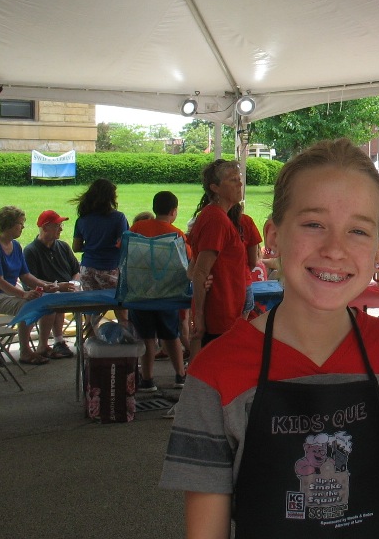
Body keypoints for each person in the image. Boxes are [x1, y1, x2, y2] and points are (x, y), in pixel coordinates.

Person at [161, 139, 379, 539]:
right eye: (313, 224)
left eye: (357, 230)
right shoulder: (215, 372)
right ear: (273, 236)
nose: (334, 248)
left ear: (377, 250)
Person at [0, 206, 68, 365]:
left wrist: (46, 286)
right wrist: (23, 294)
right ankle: (25, 351)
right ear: (9, 225)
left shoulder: (16, 246)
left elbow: (25, 275)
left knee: (47, 303)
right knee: (27, 306)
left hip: (7, 294)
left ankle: (43, 346)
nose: (23, 227)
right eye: (20, 223)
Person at [128, 191, 188, 392]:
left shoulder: (138, 228)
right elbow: (186, 260)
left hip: (139, 293)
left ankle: (147, 379)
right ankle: (180, 374)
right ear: (174, 211)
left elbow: (123, 250)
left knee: (147, 337)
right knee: (171, 335)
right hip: (166, 294)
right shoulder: (176, 234)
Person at [187, 160, 249, 347]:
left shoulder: (217, 216)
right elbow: (199, 271)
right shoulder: (216, 220)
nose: (240, 184)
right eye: (233, 180)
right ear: (215, 188)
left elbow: (193, 268)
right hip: (220, 313)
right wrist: (199, 316)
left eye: (239, 178)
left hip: (226, 310)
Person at [22, 209, 81, 358]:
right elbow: (30, 282)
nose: (61, 229)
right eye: (57, 226)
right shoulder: (30, 251)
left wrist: (73, 283)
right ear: (45, 227)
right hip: (44, 294)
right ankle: (48, 344)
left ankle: (82, 338)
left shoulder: (63, 247)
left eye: (61, 225)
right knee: (52, 301)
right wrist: (58, 287)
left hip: (67, 291)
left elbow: (76, 270)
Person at [72, 179, 129, 324]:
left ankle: (90, 335)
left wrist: (93, 246)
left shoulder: (82, 219)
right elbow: (124, 244)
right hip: (110, 268)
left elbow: (76, 247)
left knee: (92, 310)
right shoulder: (118, 217)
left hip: (87, 269)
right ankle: (125, 334)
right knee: (120, 308)